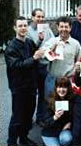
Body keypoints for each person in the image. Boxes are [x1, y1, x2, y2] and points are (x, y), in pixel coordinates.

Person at [4, 16, 44, 146]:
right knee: (17, 117)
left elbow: (34, 55)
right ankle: (11, 142)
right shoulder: (11, 47)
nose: (23, 28)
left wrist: (42, 45)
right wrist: (34, 58)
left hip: (31, 86)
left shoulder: (29, 42)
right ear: (15, 28)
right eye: (20, 26)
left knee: (28, 116)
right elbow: (17, 66)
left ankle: (23, 138)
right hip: (19, 87)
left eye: (24, 25)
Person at [42, 16, 81, 99]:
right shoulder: (51, 41)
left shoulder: (76, 44)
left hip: (68, 80)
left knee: (68, 107)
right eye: (61, 27)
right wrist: (51, 51)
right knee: (51, 105)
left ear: (70, 28)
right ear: (57, 27)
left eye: (66, 27)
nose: (63, 29)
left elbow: (79, 61)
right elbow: (43, 58)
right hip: (53, 80)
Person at [27, 8, 55, 125]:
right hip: (34, 67)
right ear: (32, 17)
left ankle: (40, 118)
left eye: (42, 17)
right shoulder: (28, 31)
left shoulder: (47, 28)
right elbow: (30, 50)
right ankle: (28, 119)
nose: (40, 19)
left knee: (45, 94)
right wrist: (39, 40)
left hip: (46, 65)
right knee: (32, 94)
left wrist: (52, 47)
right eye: (38, 17)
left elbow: (53, 40)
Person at [41, 77, 74, 146]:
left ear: (68, 88)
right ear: (56, 88)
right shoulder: (49, 100)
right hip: (50, 133)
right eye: (59, 87)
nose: (61, 90)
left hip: (63, 130)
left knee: (67, 139)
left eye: (64, 87)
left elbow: (75, 116)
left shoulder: (71, 100)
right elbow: (43, 122)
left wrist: (70, 123)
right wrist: (54, 117)